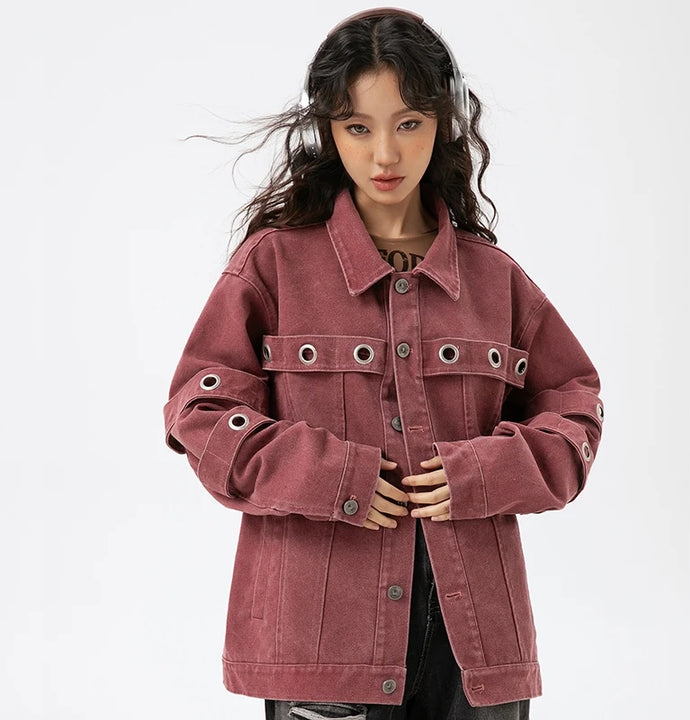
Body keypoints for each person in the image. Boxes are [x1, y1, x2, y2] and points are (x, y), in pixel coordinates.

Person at [163, 8, 603, 720]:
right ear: (328, 131)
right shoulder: (273, 266)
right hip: (321, 646)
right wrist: (336, 477)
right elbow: (200, 415)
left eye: (409, 123)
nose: (385, 155)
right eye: (358, 128)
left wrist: (483, 472)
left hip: (478, 656)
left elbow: (575, 409)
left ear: (443, 124)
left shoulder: (496, 280)